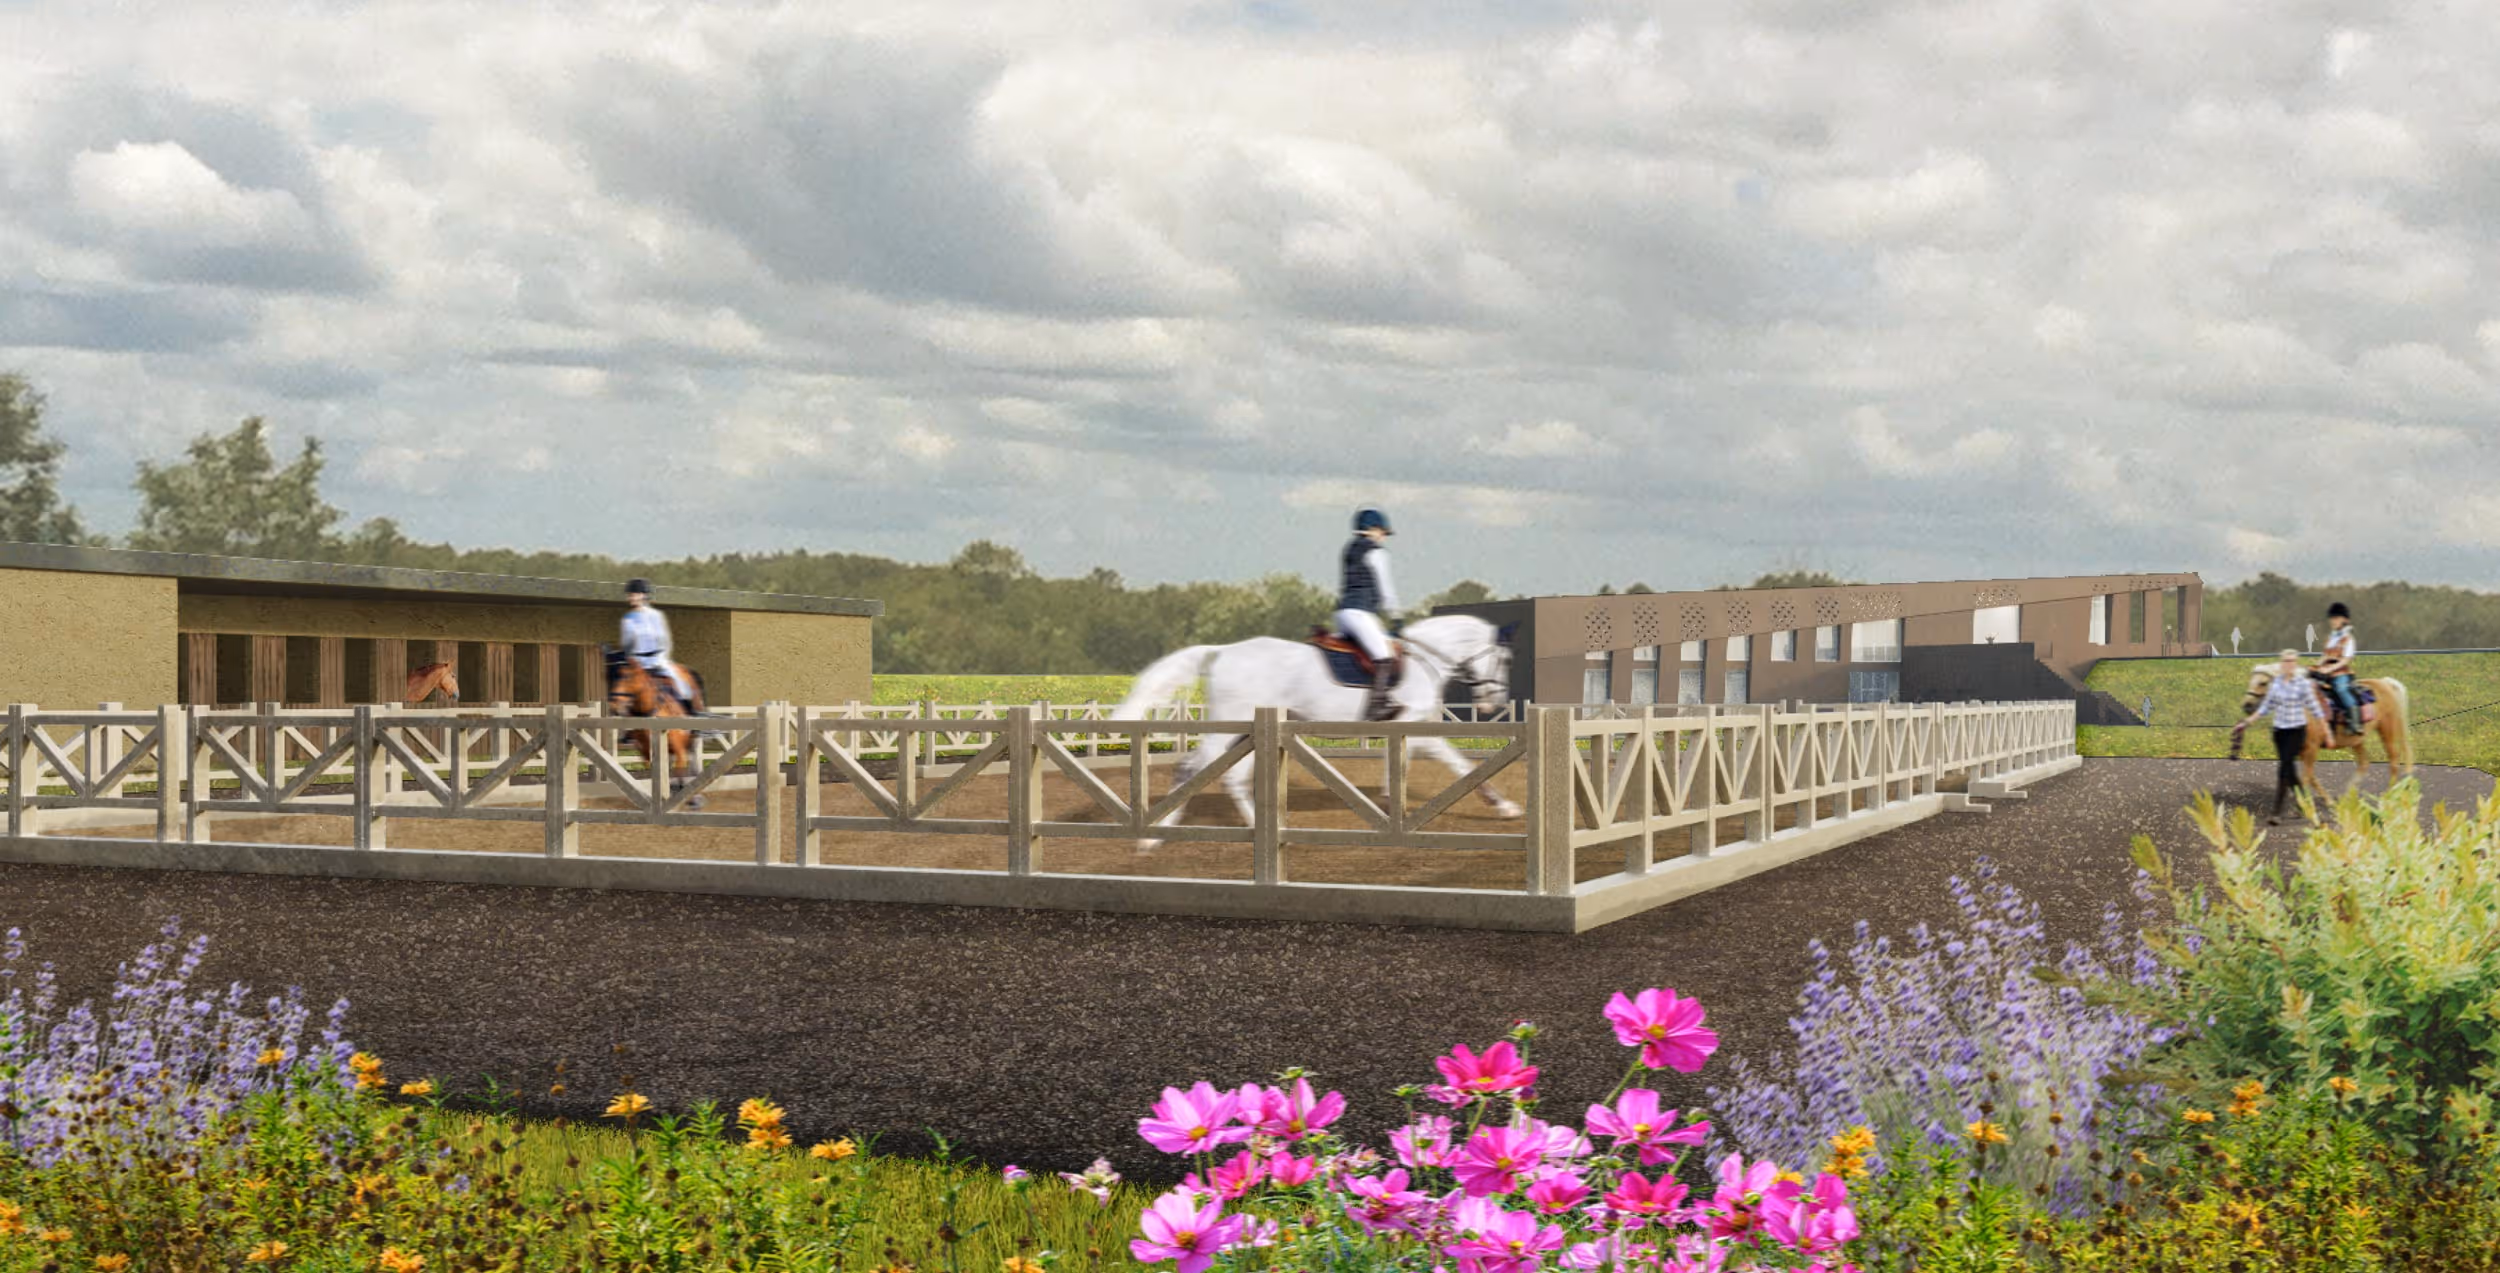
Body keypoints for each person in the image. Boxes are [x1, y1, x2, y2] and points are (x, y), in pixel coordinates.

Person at [1334, 507, 1402, 722]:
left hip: (1343, 614)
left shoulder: (1349, 549)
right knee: (1385, 655)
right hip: (1361, 613)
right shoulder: (1376, 553)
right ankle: (1376, 707)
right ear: (1371, 529)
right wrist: (1396, 615)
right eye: (1382, 532)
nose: (1383, 537)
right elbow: (1386, 588)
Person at [2241, 648, 2320, 824]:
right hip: (2279, 731)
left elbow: (2314, 706)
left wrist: (2327, 731)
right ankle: (2306, 803)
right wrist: (2248, 721)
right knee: (2289, 769)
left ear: (2296, 664)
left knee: (2283, 769)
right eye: (2285, 661)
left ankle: (2276, 812)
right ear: (2281, 664)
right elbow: (2266, 706)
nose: (2288, 664)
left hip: (2297, 729)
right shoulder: (2276, 683)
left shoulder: (2302, 684)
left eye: (2292, 661)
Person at [621, 579, 703, 711]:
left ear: (643, 595)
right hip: (638, 662)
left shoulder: (656, 616)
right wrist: (631, 662)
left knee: (681, 684)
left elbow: (665, 640)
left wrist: (662, 658)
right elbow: (627, 645)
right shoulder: (627, 619)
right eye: (629, 595)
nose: (630, 598)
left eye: (633, 594)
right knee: (624, 689)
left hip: (657, 659)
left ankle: (691, 713)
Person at [2317, 602, 2360, 736]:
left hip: (2340, 672)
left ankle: (2355, 722)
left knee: (2341, 689)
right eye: (2331, 618)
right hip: (2326, 671)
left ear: (2345, 620)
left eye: (2336, 618)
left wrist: (2330, 669)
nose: (2333, 621)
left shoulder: (2348, 639)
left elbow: (2346, 659)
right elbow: (2325, 655)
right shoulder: (2331, 638)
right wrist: (2317, 666)